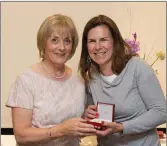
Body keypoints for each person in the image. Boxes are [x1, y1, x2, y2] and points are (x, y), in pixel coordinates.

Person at [6, 14, 96, 146]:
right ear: (44, 43)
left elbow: (74, 125)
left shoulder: (78, 79)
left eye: (67, 41)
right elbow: (21, 135)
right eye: (54, 40)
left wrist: (85, 120)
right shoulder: (26, 81)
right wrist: (61, 130)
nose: (61, 47)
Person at [78, 14, 166, 146]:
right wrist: (87, 115)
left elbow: (161, 112)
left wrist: (122, 127)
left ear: (115, 41)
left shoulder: (138, 68)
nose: (97, 47)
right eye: (92, 41)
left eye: (103, 39)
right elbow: (94, 119)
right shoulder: (91, 76)